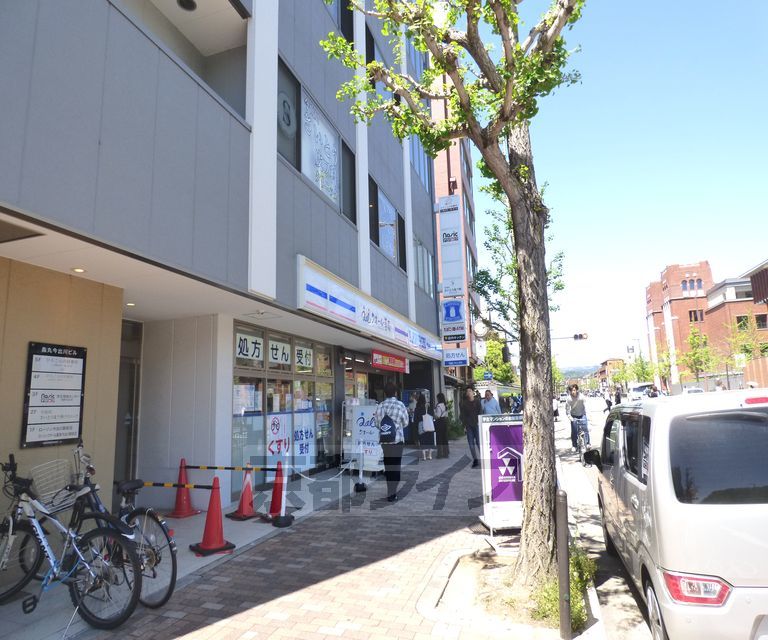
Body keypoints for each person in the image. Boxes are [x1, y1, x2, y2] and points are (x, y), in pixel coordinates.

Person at [375, 382, 409, 502]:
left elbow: (377, 424)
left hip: (385, 441)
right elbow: (406, 422)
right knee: (396, 465)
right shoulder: (400, 405)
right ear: (395, 392)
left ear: (385, 393)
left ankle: (390, 491)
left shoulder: (381, 406)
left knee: (388, 466)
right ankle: (393, 491)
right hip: (397, 441)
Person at [460, 387, 483, 468]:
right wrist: (464, 426)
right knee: (471, 444)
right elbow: (462, 416)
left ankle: (483, 459)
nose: (469, 392)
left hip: (477, 425)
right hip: (469, 426)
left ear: (473, 393)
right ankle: (475, 460)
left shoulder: (477, 402)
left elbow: (480, 412)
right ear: (466, 394)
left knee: (479, 443)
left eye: (470, 391)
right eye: (467, 391)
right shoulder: (464, 403)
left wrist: (479, 422)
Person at [566, 383, 590, 452]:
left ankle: (588, 443)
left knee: (585, 429)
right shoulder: (568, 399)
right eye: (571, 391)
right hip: (574, 416)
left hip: (582, 414)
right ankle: (574, 445)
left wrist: (588, 416)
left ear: (577, 390)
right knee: (574, 431)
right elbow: (567, 410)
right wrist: (571, 418)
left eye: (574, 390)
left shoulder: (581, 397)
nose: (573, 392)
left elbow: (586, 406)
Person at [415, 393, 435, 460]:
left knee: (422, 440)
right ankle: (429, 455)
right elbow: (432, 415)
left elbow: (415, 419)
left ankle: (424, 456)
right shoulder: (428, 407)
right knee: (429, 440)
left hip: (421, 425)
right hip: (428, 424)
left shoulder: (417, 408)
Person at [434, 392, 450, 459]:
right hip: (444, 422)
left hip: (439, 422)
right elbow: (446, 415)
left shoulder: (438, 406)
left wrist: (434, 412)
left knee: (439, 439)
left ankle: (439, 454)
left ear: (439, 398)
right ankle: (446, 453)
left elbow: (437, 416)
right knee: (444, 438)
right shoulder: (445, 405)